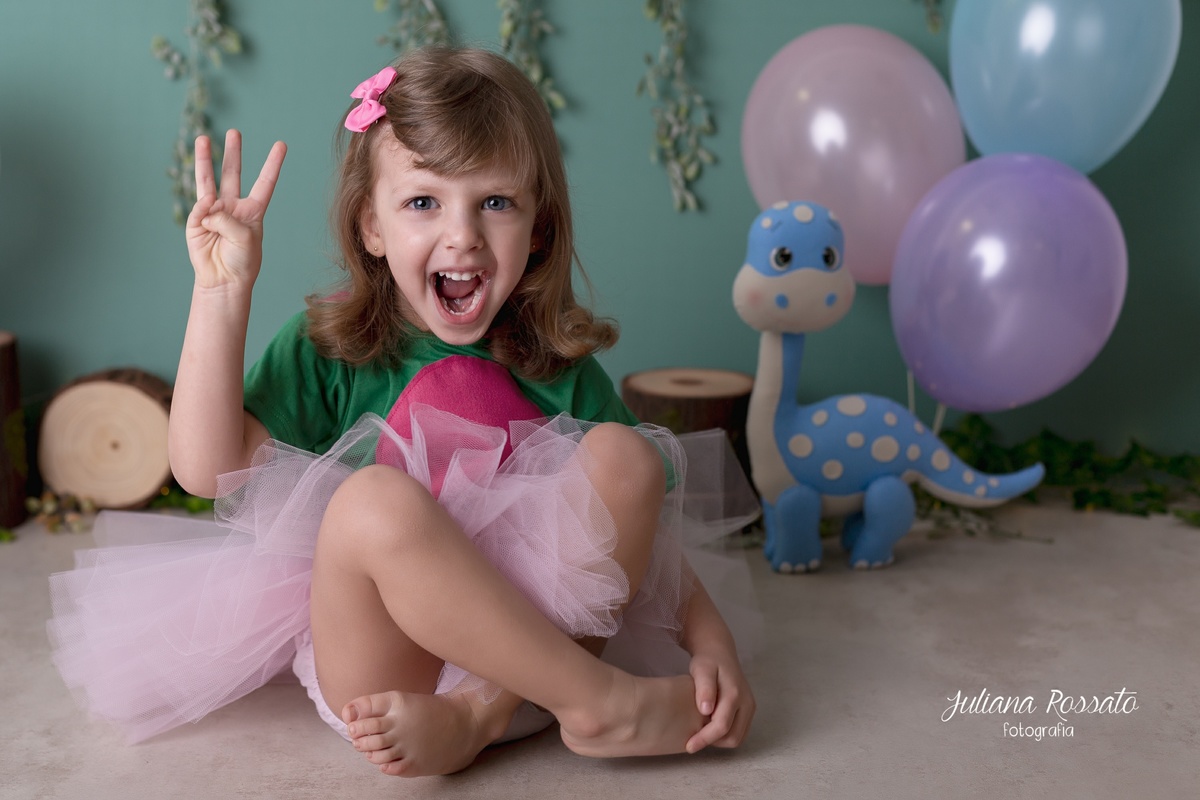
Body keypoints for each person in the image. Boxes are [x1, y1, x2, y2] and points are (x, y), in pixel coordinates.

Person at [48, 46, 759, 778]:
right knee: (373, 502)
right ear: (372, 228)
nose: (462, 235)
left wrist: (712, 643)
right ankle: (602, 699)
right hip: (390, 675)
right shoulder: (332, 345)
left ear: (539, 228)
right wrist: (221, 294)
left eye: (496, 202)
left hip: (530, 669)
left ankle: (485, 717)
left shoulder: (554, 359)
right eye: (424, 202)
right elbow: (207, 472)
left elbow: (649, 535)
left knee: (627, 456)